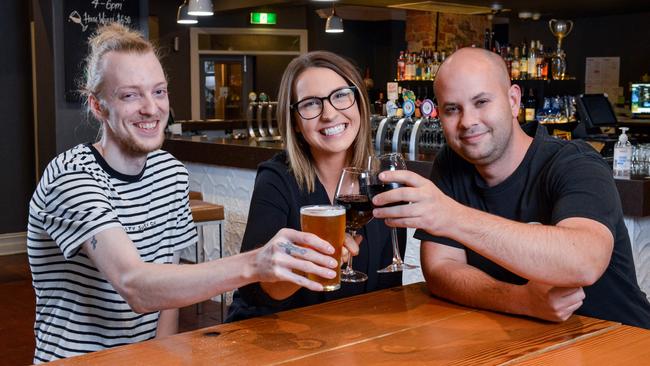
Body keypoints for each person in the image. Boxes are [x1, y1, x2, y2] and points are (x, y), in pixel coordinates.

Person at [27, 24, 340, 363]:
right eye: (130, 95)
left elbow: (166, 303)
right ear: (98, 106)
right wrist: (255, 263)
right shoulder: (71, 176)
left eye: (158, 92)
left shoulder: (170, 174)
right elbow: (137, 286)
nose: (151, 108)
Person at [371, 47, 650, 328]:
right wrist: (522, 300)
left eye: (481, 102)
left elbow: (584, 262)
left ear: (513, 100)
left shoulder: (574, 163)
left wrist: (451, 216)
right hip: (529, 343)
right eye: (452, 109)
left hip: (622, 338)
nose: (467, 122)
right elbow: (440, 269)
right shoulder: (453, 163)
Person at [227, 51, 406, 321]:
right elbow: (257, 291)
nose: (330, 113)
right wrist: (317, 261)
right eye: (311, 104)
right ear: (296, 123)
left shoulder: (379, 185)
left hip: (352, 340)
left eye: (341, 95)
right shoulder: (276, 179)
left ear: (358, 103)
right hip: (273, 338)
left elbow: (388, 289)